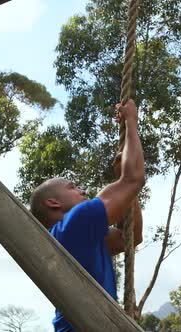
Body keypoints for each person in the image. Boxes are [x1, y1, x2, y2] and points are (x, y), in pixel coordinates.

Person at [29, 99, 145, 332]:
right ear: (53, 202)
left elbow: (130, 237)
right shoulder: (73, 227)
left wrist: (126, 192)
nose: (82, 190)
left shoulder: (73, 241)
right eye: (73, 187)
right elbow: (134, 179)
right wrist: (132, 121)